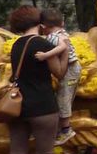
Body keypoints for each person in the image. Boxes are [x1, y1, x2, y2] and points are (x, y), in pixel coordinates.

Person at [1, 6, 67, 154]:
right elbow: (59, 73)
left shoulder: (16, 46)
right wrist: (64, 51)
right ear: (39, 22)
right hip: (43, 107)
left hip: (18, 108)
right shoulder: (43, 44)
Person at [34, 8, 81, 145]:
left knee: (63, 98)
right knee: (65, 96)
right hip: (74, 68)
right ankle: (63, 128)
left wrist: (45, 56)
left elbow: (62, 47)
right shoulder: (62, 32)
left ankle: (66, 130)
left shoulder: (53, 37)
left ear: (42, 27)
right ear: (62, 23)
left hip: (70, 69)